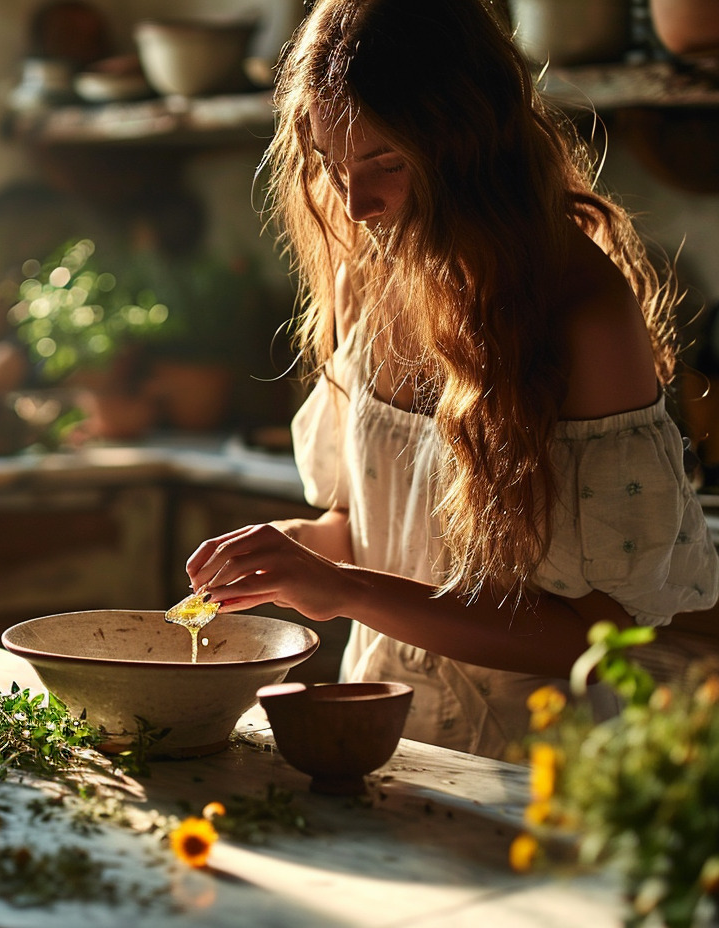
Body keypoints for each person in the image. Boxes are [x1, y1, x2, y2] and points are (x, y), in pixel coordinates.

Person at [185, 0, 719, 759]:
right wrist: (292, 555)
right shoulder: (367, 279)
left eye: (387, 163)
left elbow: (598, 636)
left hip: (535, 771)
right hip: (383, 738)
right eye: (333, 168)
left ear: (472, 141)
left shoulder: (585, 317)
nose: (356, 206)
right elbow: (370, 531)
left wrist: (348, 591)